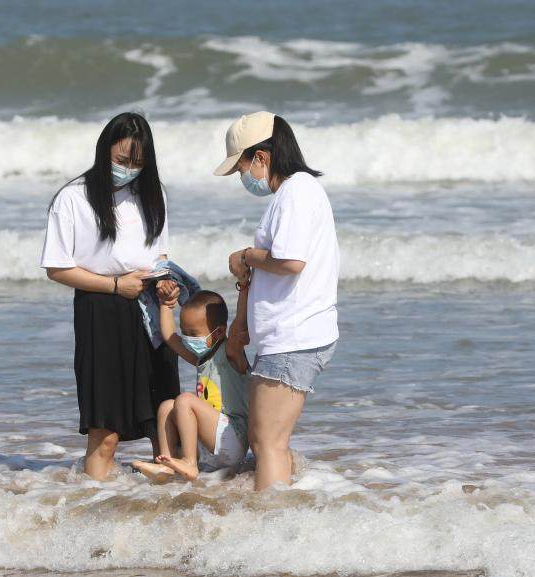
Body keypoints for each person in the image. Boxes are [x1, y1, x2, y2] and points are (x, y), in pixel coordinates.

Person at [40, 112, 180, 481]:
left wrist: (167, 285)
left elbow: (160, 256)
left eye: (137, 163)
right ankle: (95, 513)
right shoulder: (73, 198)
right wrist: (116, 286)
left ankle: (168, 514)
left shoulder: (153, 195)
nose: (128, 170)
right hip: (99, 308)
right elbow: (56, 267)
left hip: (151, 307)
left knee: (165, 425)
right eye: (121, 161)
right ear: (104, 151)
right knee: (106, 432)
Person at [213, 111, 340, 491]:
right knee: (268, 440)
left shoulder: (296, 192)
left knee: (266, 442)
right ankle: (280, 518)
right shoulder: (294, 192)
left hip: (293, 337)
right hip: (289, 336)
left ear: (262, 157)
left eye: (240, 168)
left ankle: (268, 525)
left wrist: (247, 256)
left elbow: (290, 262)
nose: (242, 177)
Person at [132, 290, 250, 482]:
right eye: (185, 332)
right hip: (209, 445)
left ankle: (189, 462)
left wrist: (243, 286)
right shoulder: (201, 359)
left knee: (185, 400)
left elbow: (238, 327)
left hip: (232, 438)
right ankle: (167, 465)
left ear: (219, 332)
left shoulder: (230, 354)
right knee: (166, 407)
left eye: (193, 334)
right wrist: (165, 303)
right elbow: (170, 336)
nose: (187, 338)